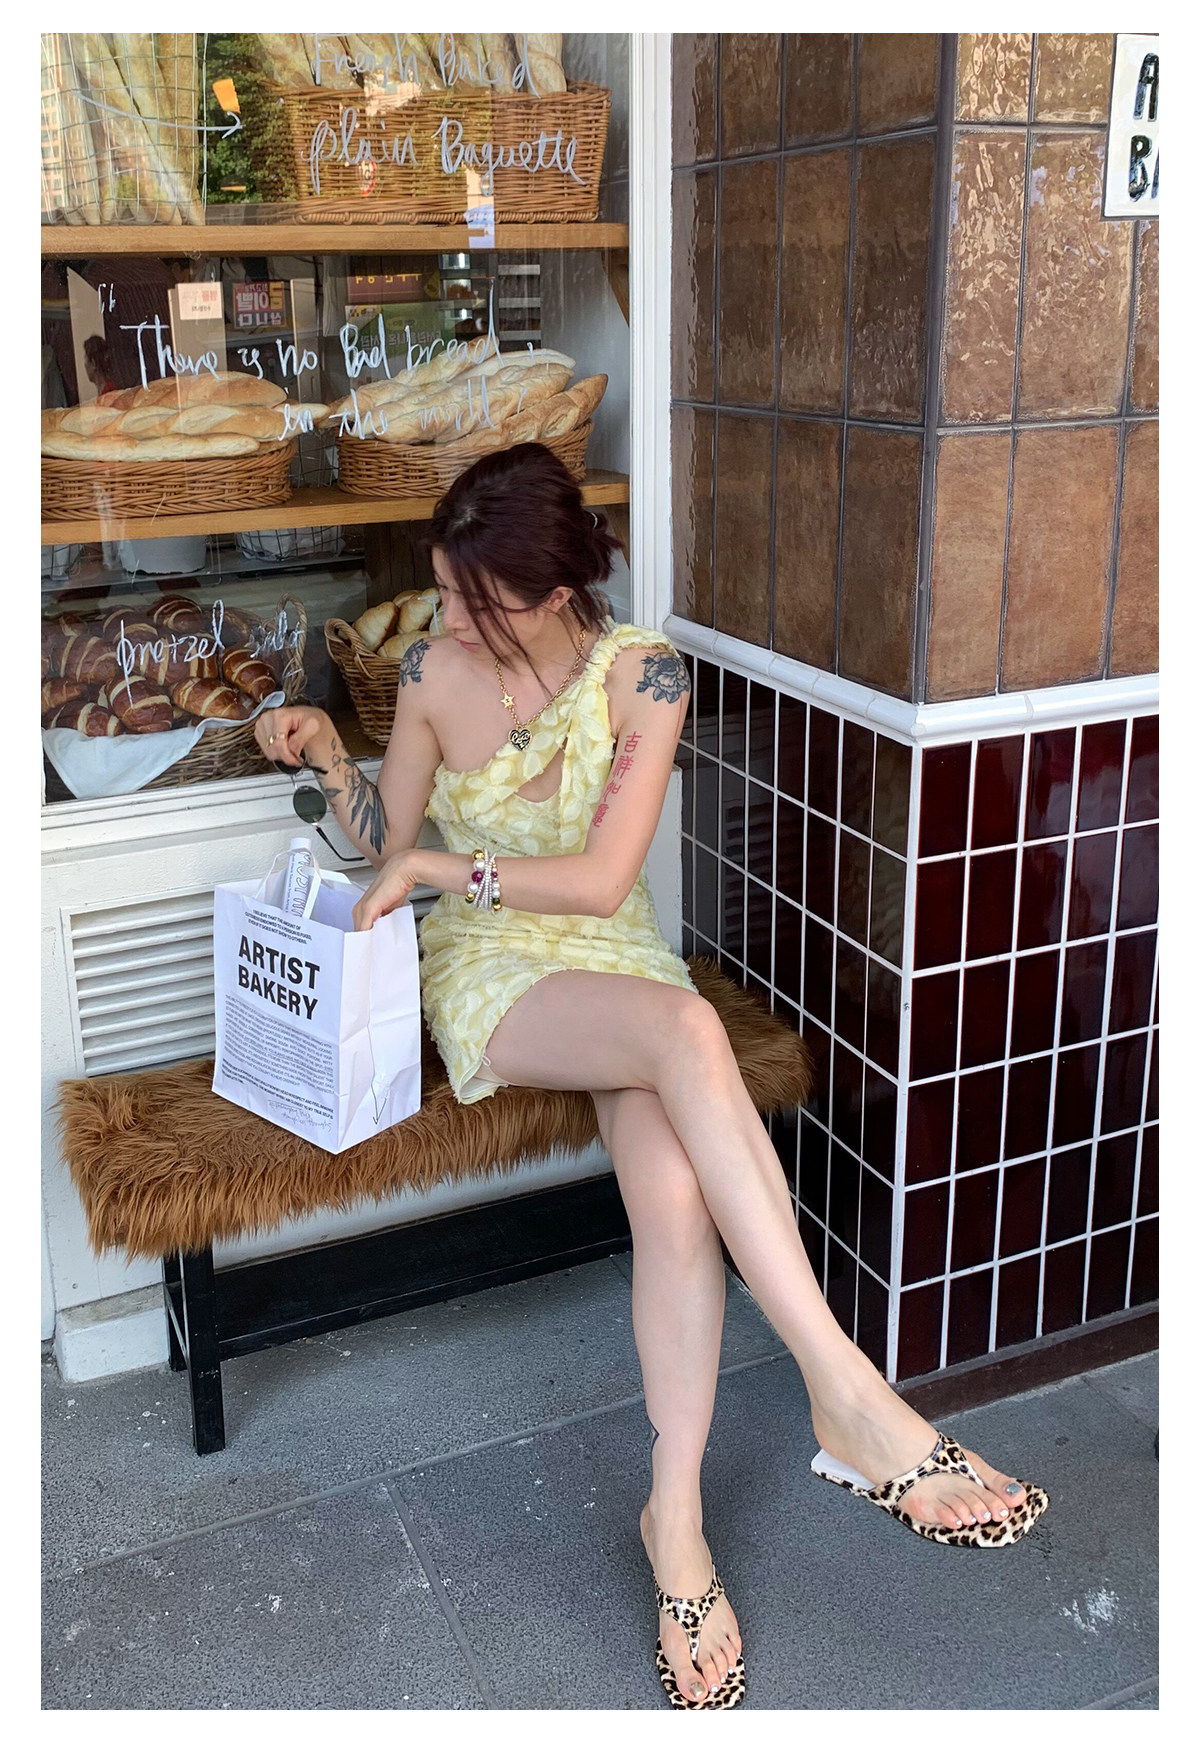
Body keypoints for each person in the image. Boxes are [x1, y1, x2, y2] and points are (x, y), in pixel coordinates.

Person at [255, 443, 1048, 1711]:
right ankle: (846, 1390)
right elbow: (385, 846)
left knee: (675, 1193)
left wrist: (440, 866)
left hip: (609, 952)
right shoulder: (428, 672)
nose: (447, 615)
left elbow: (601, 883)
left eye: (475, 597)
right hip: (493, 967)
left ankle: (673, 1519)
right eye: (445, 589)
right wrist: (327, 760)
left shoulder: (647, 672)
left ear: (558, 586)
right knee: (686, 1035)